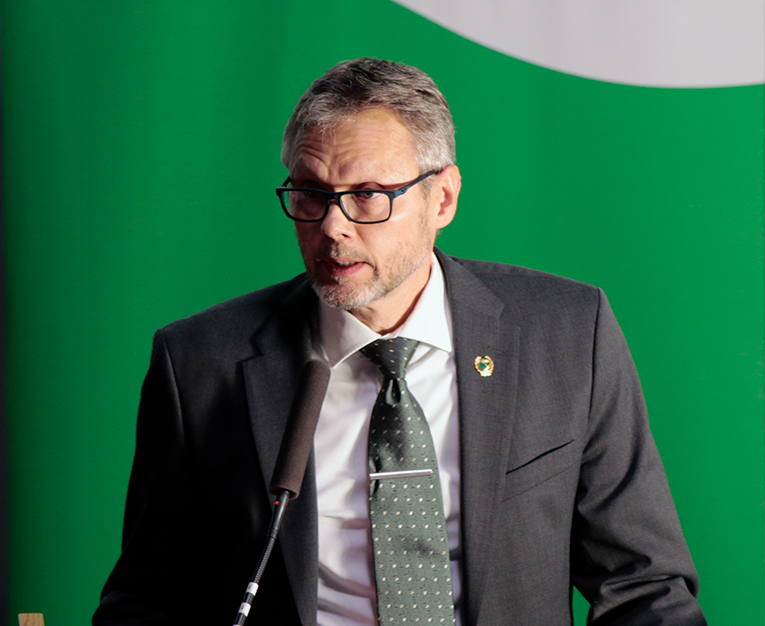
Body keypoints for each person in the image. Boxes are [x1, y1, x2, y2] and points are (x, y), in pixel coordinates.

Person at [94, 58, 706, 626]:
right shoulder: (200, 363)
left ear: (442, 198)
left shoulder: (569, 334)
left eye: (367, 196)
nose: (333, 228)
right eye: (310, 194)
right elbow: (147, 600)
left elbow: (644, 585)